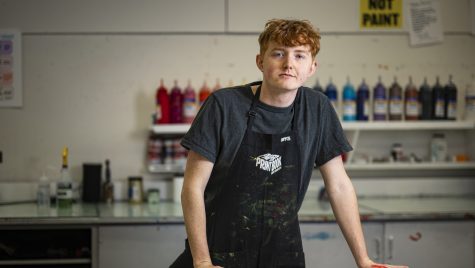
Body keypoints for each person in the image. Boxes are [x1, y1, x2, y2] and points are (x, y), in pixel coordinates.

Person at [170, 19, 407, 268]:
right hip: (218, 255)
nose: (289, 64)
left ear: (312, 67)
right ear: (261, 61)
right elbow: (192, 187)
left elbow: (339, 186)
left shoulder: (317, 109)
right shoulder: (223, 106)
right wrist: (202, 261)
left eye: (300, 56)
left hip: (283, 255)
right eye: (279, 53)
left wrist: (363, 260)